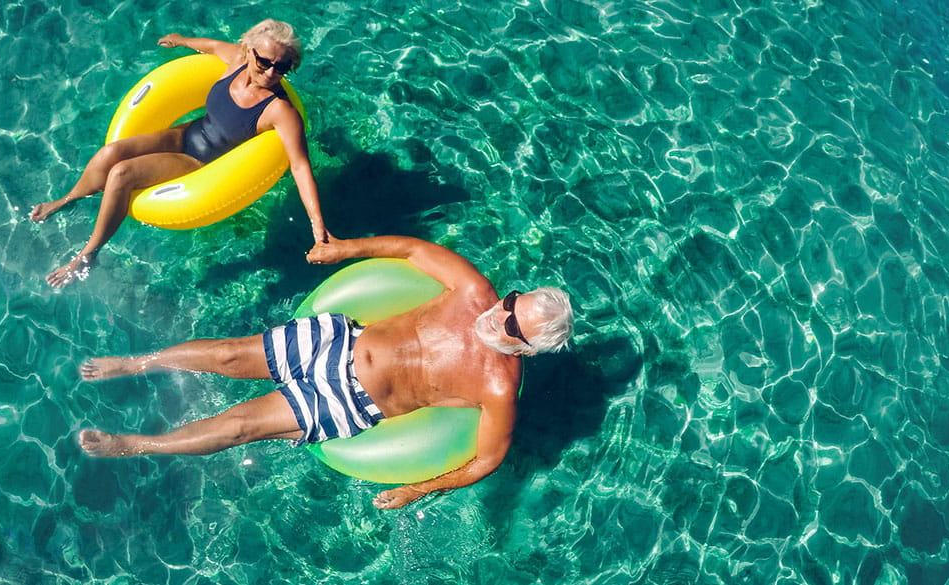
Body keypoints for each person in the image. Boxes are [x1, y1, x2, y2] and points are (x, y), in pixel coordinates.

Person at [76, 235, 574, 509]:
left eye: (512, 324)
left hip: (352, 402)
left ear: (528, 349)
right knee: (229, 354)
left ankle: (136, 444)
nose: (500, 314)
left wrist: (417, 490)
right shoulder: (473, 292)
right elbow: (412, 252)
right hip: (341, 339)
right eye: (512, 302)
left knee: (239, 427)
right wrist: (344, 249)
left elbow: (486, 460)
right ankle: (138, 363)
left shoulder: (497, 387)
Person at [30, 20, 330, 288]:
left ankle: (87, 254)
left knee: (123, 173)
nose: (271, 72)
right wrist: (182, 39)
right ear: (249, 50)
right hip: (185, 134)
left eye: (283, 66)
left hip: (199, 161)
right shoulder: (237, 60)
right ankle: (68, 199)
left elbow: (300, 167)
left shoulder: (280, 111)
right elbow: (211, 46)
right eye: (265, 61)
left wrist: (319, 228)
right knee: (111, 153)